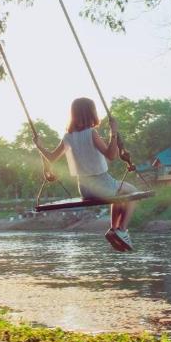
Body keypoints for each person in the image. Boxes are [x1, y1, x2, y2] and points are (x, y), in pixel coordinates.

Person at [34, 97, 139, 251]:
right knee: (133, 193)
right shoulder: (91, 133)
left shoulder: (67, 137)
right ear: (90, 113)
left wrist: (39, 146)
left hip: (84, 189)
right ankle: (121, 230)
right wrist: (114, 133)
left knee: (117, 197)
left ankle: (114, 230)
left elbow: (51, 157)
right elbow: (111, 155)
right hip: (102, 184)